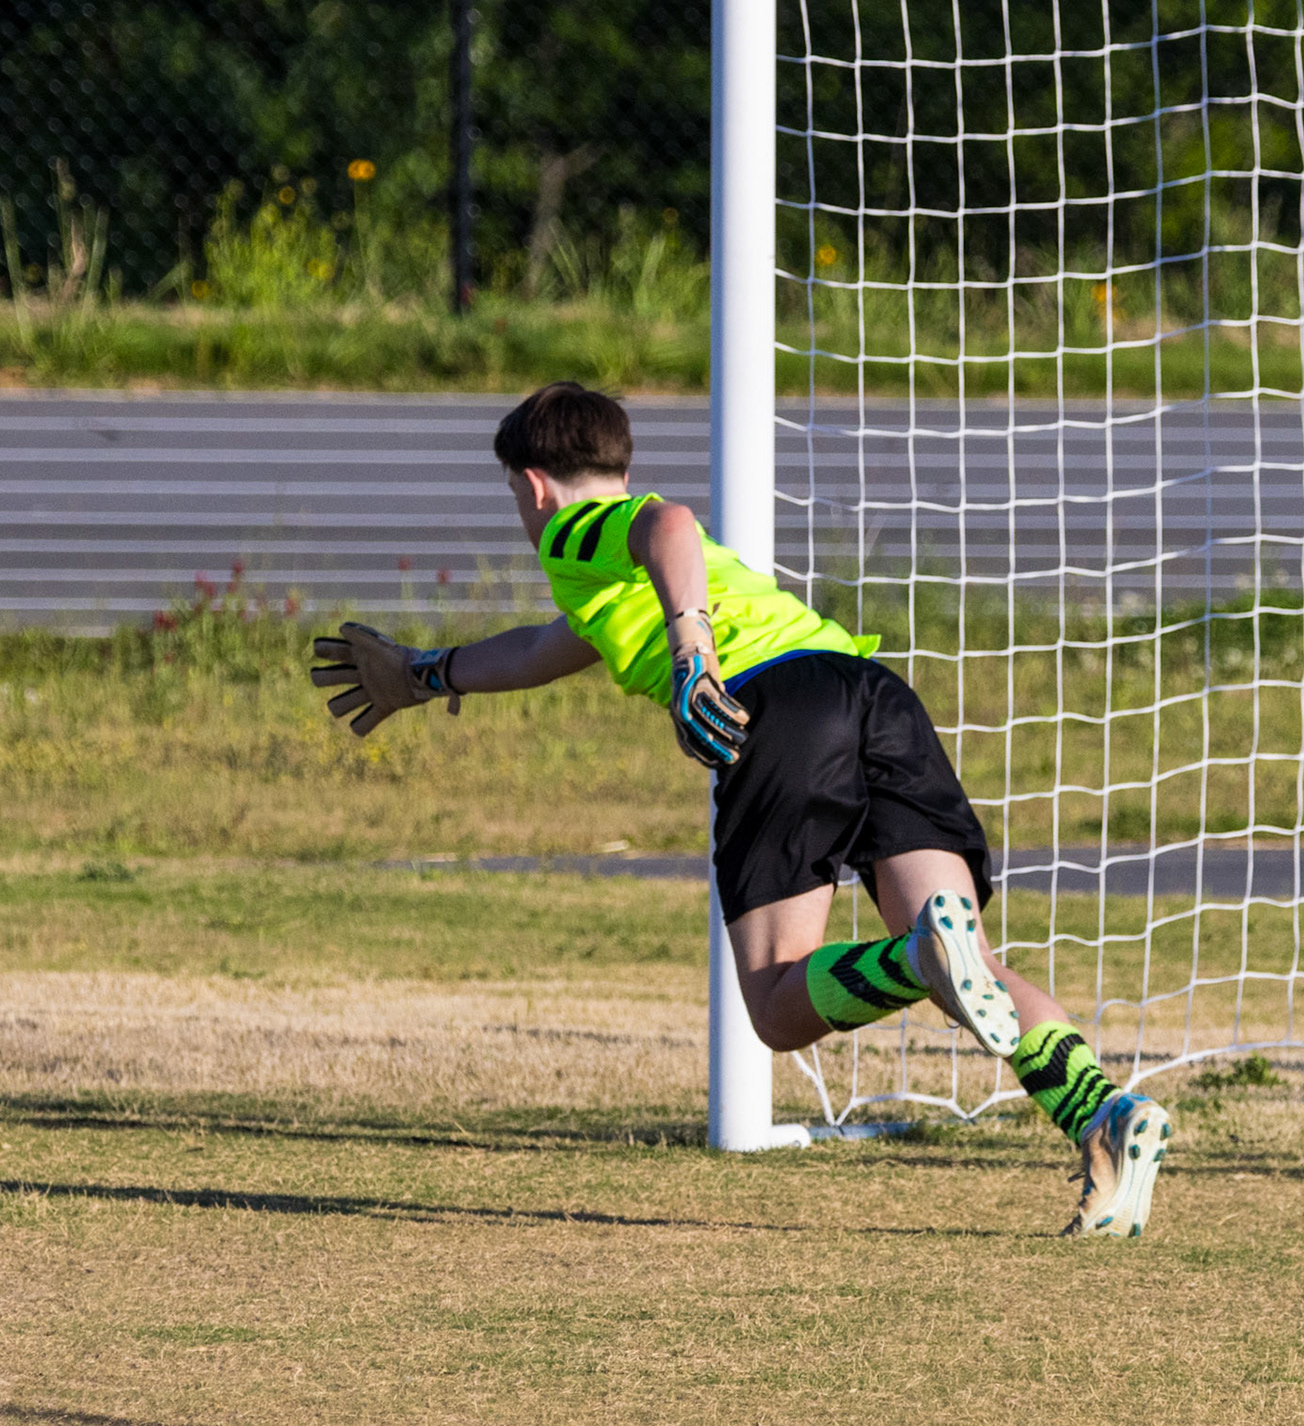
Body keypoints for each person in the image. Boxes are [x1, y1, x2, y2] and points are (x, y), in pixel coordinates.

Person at [310, 381, 1171, 1237]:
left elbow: (669, 522)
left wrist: (692, 649)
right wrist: (425, 675)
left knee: (777, 1006)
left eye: (514, 495)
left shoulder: (579, 530)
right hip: (871, 691)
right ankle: (1103, 1114)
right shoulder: (615, 585)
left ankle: (916, 956)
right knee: (969, 965)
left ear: (533, 486)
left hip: (781, 711)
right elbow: (545, 646)